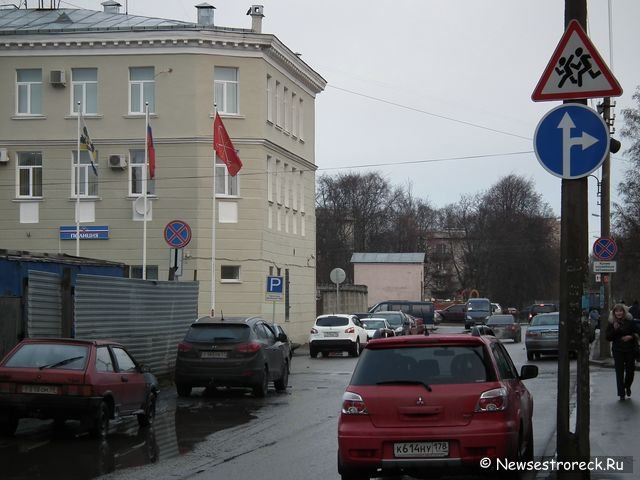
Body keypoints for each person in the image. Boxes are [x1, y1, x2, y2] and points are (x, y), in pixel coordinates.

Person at [606, 304, 640, 400]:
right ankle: (621, 393)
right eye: (616, 311)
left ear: (624, 312)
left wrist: (631, 336)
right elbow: (608, 337)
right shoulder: (612, 323)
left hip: (630, 350)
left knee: (630, 371)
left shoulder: (630, 322)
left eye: (621, 311)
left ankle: (627, 386)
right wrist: (615, 330)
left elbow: (637, 332)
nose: (619, 313)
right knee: (619, 372)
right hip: (618, 350)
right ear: (614, 313)